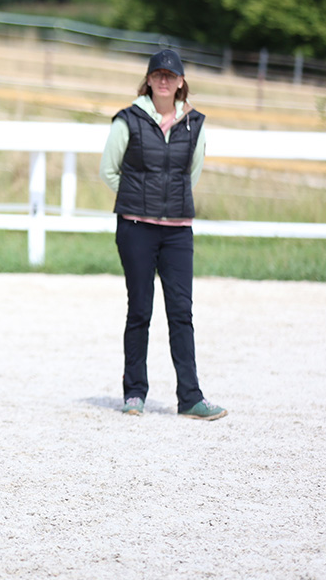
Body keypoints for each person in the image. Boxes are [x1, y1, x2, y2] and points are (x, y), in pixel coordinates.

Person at [99, 48, 227, 420]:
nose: (165, 80)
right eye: (158, 74)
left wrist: (169, 204)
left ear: (181, 81)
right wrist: (141, 201)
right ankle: (134, 392)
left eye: (171, 75)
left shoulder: (194, 124)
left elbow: (193, 174)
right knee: (140, 310)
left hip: (177, 232)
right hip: (136, 227)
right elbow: (110, 171)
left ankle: (190, 397)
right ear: (150, 79)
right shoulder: (128, 120)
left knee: (181, 313)